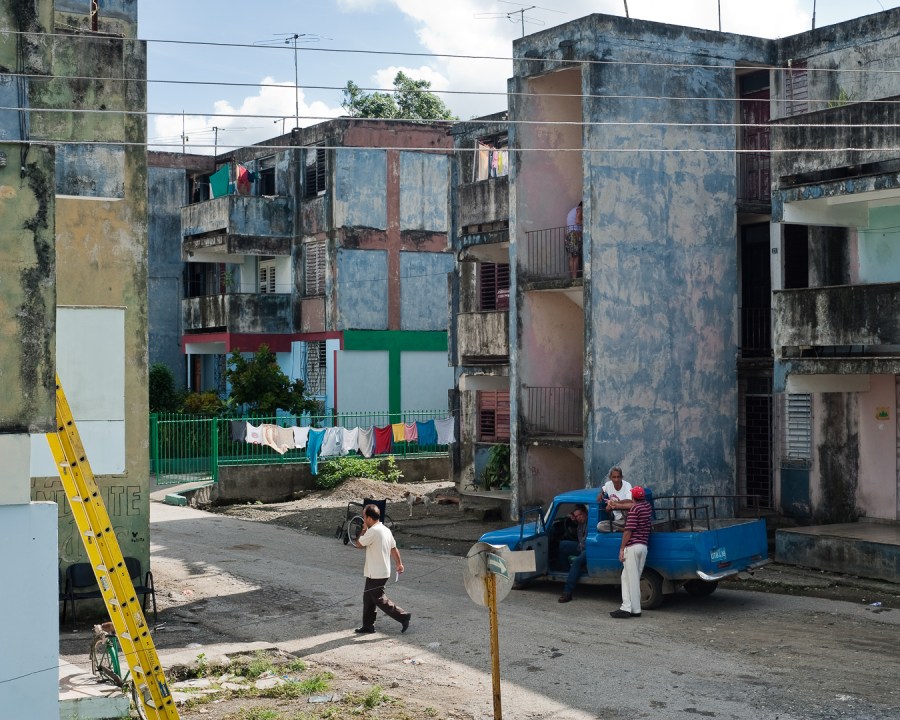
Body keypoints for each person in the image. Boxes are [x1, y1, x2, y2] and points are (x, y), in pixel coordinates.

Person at [353, 503, 411, 634]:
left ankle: (403, 616)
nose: (363, 520)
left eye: (364, 517)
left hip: (376, 573)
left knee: (378, 598)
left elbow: (358, 544)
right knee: (368, 598)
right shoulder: (385, 529)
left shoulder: (373, 531)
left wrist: (363, 529)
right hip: (380, 571)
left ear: (368, 518)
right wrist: (399, 564)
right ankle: (368, 625)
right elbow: (393, 548)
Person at [610, 486, 652, 618]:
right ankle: (633, 608)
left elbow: (628, 530)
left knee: (630, 578)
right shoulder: (647, 507)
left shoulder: (634, 509)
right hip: (643, 546)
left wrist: (622, 548)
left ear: (633, 497)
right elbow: (632, 504)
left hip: (633, 546)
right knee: (629, 577)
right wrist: (617, 505)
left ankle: (628, 608)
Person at [557, 504, 588, 603]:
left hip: (589, 549)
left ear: (585, 514)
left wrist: (581, 548)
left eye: (580, 515)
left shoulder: (590, 522)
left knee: (577, 562)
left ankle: (567, 592)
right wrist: (572, 518)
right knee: (563, 545)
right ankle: (566, 571)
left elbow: (585, 541)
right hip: (581, 547)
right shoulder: (580, 523)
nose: (578, 518)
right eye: (576, 516)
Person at [597, 467, 633, 532]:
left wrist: (615, 503)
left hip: (627, 518)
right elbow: (604, 488)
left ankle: (624, 527)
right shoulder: (608, 485)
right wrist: (601, 493)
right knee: (600, 526)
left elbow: (629, 501)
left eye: (618, 477)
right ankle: (620, 529)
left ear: (622, 477)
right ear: (610, 478)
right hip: (617, 521)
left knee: (627, 506)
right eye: (614, 477)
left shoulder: (627, 485)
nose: (616, 480)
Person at [564, 201, 583, 279]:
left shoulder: (573, 210)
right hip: (574, 235)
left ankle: (572, 277)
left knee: (572, 257)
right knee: (576, 257)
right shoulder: (579, 209)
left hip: (569, 234)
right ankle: (575, 278)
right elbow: (578, 221)